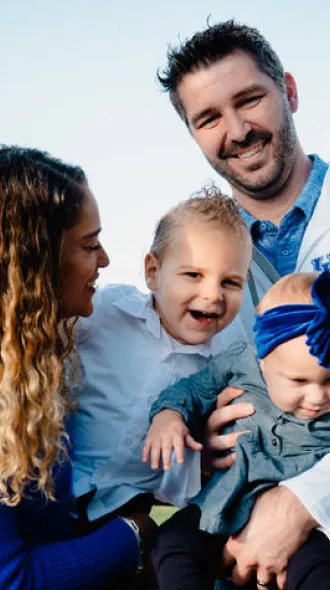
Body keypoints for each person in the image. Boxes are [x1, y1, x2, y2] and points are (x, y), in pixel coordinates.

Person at [158, 20, 330, 587]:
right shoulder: (197, 268)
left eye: (249, 99)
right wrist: (197, 450)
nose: (236, 130)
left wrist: (308, 499)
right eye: (208, 118)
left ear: (289, 91)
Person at [0, 145, 156, 590]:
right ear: (37, 262)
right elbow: (13, 578)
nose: (104, 259)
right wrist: (138, 534)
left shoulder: (47, 361)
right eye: (90, 245)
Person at [68, 185, 252, 526]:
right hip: (56, 485)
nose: (212, 295)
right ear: (153, 272)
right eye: (193, 275)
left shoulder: (227, 363)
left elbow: (185, 478)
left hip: (127, 508)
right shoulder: (105, 313)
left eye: (230, 282)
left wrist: (205, 462)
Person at [143, 271, 330, 590]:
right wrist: (170, 415)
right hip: (226, 497)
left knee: (318, 571)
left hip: (303, 524)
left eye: (329, 380)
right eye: (298, 381)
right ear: (263, 360)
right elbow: (193, 390)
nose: (317, 396)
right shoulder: (240, 362)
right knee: (171, 544)